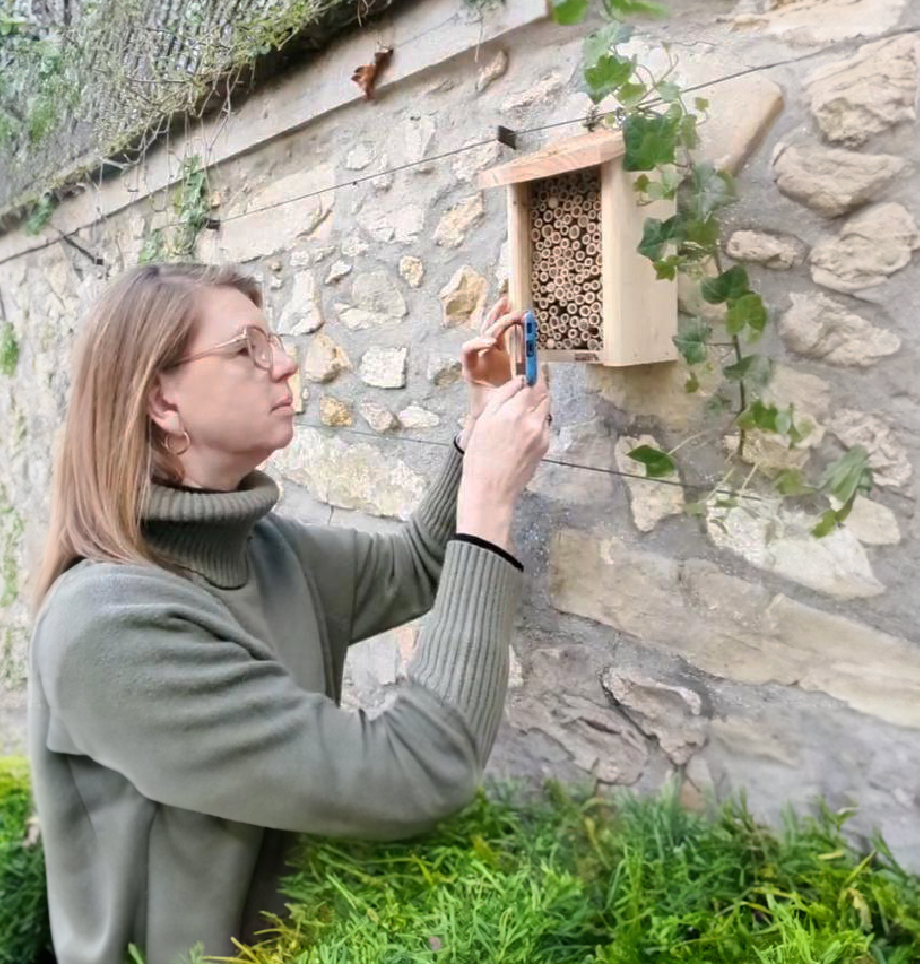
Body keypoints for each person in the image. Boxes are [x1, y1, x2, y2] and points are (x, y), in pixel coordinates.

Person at [27, 263, 551, 964]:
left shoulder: (266, 549)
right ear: (161, 400)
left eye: (272, 341)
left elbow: (417, 566)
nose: (285, 363)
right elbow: (417, 773)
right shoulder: (110, 628)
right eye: (246, 348)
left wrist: (477, 429)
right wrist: (490, 502)